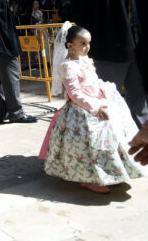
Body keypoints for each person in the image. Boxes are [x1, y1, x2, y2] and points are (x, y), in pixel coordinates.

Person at [40, 25, 147, 193]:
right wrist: (95, 107)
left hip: (97, 101)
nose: (87, 47)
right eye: (83, 43)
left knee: (113, 135)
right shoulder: (67, 66)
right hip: (81, 109)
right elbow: (74, 93)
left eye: (88, 43)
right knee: (90, 141)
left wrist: (105, 90)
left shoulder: (85, 60)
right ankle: (88, 178)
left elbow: (93, 81)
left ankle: (111, 172)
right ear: (70, 46)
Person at [73, 0, 148, 128]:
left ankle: (140, 146)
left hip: (140, 47)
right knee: (106, 101)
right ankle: (106, 148)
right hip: (109, 51)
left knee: (140, 99)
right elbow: (80, 13)